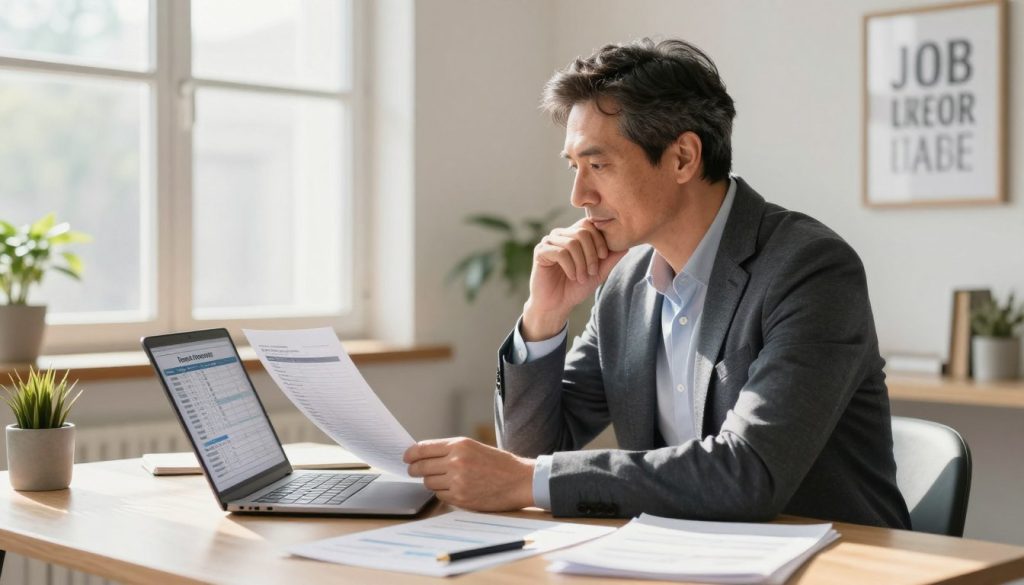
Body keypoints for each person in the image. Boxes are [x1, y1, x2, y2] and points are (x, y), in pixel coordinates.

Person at [404, 38, 911, 528]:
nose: (579, 194)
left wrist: (529, 481)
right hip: (681, 555)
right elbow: (530, 450)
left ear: (683, 159)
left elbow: (751, 472)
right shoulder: (626, 284)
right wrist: (544, 316)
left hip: (837, 560)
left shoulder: (810, 269)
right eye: (574, 167)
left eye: (598, 165)